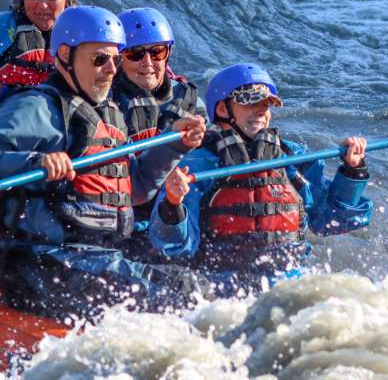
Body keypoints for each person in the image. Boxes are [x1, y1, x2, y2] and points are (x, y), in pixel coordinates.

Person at [0, 6, 208, 321]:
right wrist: (36, 161)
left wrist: (174, 144)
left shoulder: (108, 114)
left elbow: (135, 190)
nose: (112, 69)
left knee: (188, 284)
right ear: (64, 56)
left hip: (92, 262)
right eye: (99, 59)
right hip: (42, 266)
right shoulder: (37, 107)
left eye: (116, 59)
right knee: (184, 290)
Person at [149, 63, 374, 292]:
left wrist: (352, 172)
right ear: (223, 109)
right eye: (251, 102)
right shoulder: (196, 163)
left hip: (291, 285)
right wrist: (173, 204)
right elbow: (174, 247)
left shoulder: (291, 157)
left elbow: (329, 221)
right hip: (223, 287)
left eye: (266, 104)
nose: (261, 111)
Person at [110, 7, 207, 239]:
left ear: (168, 53)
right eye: (135, 54)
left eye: (157, 52)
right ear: (118, 58)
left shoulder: (189, 100)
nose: (148, 62)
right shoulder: (104, 102)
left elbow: (207, 157)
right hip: (125, 209)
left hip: (174, 202)